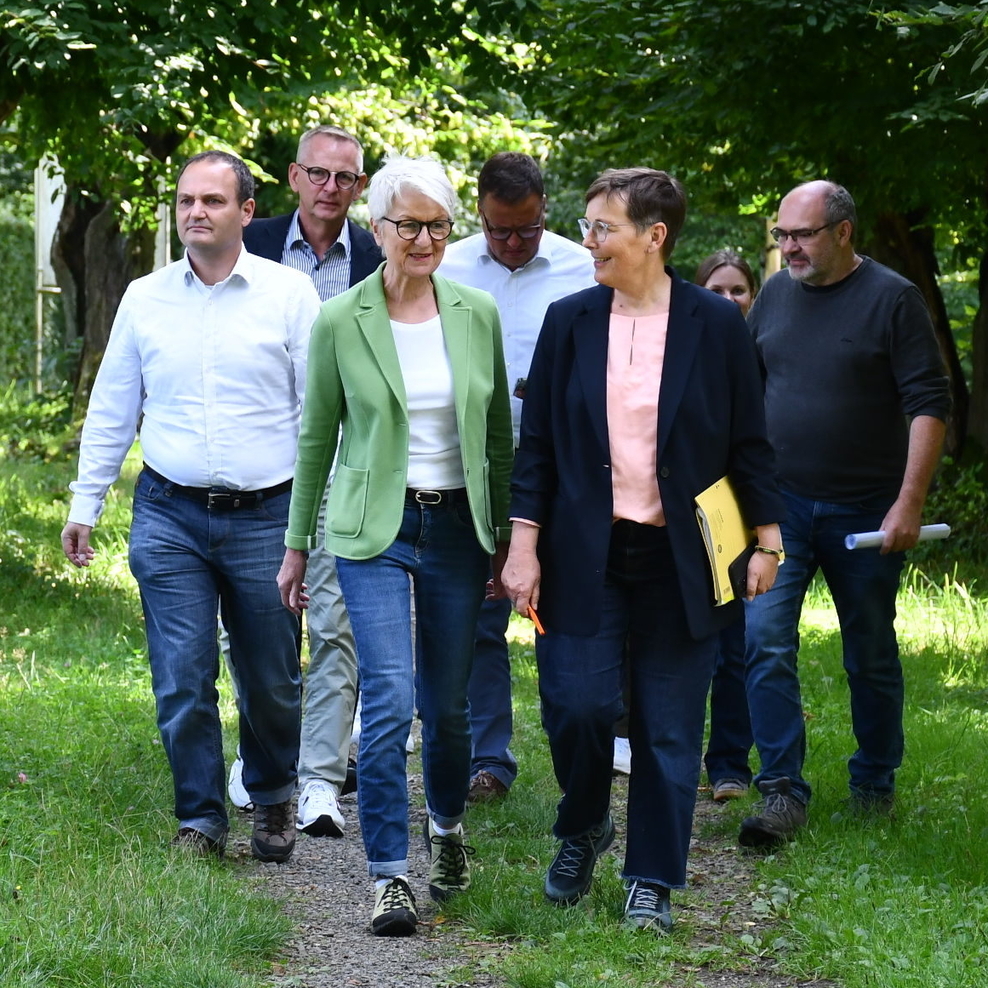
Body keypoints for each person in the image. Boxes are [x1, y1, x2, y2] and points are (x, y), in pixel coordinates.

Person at [502, 168, 784, 933]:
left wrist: (768, 542)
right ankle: (585, 822)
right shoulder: (570, 320)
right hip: (582, 553)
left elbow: (748, 443)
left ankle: (651, 880)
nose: (588, 240)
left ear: (654, 237)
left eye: (603, 228)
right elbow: (539, 450)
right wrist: (523, 546)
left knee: (667, 727)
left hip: (682, 559)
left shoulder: (717, 326)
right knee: (577, 708)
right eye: (589, 226)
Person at [60, 151, 321, 861]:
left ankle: (271, 794)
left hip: (268, 515)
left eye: (212, 200)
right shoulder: (146, 299)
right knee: (182, 673)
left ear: (246, 211)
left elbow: (316, 414)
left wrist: (310, 522)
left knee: (271, 677)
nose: (196, 212)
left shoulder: (290, 296)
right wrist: (86, 502)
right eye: (185, 201)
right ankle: (201, 818)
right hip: (169, 511)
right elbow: (115, 404)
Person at [277, 155, 513, 937]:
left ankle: (445, 831)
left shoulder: (476, 311)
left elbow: (498, 440)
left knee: (446, 709)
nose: (422, 238)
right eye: (407, 223)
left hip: (456, 530)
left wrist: (507, 542)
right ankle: (388, 875)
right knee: (388, 700)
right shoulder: (342, 317)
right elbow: (316, 440)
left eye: (437, 225)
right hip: (372, 529)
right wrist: (297, 546)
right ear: (375, 228)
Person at [739, 180, 950, 848]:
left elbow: (929, 405)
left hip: (865, 512)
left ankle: (873, 786)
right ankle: (780, 791)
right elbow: (746, 391)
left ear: (844, 232)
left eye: (801, 235)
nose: (789, 247)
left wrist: (907, 503)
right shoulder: (773, 294)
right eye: (782, 235)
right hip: (782, 508)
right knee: (764, 638)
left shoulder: (893, 299)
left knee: (870, 653)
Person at [233, 124, 383, 839]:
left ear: (360, 187)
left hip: (346, 467)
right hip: (258, 467)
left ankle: (320, 776)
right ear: (294, 178)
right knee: (260, 624)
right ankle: (262, 757)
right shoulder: (248, 242)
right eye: (318, 175)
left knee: (335, 624)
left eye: (345, 178)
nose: (331, 189)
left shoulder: (382, 259)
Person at [438, 151, 596, 803]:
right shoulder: (445, 264)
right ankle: (488, 759)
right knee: (476, 615)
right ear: (479, 214)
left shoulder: (580, 267)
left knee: (563, 609)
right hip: (466, 465)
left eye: (525, 230)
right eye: (499, 230)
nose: (511, 243)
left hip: (559, 467)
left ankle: (583, 747)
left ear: (544, 213)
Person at [693, 250, 759, 802]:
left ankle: (731, 763)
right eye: (717, 289)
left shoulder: (764, 353)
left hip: (744, 516)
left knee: (736, 642)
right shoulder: (681, 349)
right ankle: (671, 748)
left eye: (739, 290)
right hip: (691, 516)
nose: (729, 300)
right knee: (688, 640)